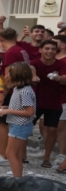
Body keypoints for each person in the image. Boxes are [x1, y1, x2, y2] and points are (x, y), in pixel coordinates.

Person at [32, 40, 66, 168]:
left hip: (54, 101)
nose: (50, 51)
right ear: (40, 50)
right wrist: (33, 76)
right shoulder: (34, 63)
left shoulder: (61, 63)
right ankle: (21, 156)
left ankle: (46, 157)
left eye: (53, 49)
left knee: (52, 130)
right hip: (35, 101)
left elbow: (65, 78)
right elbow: (30, 69)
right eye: (47, 48)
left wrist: (58, 78)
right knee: (26, 128)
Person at [0, 62, 36, 178]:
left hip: (21, 125)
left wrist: (8, 111)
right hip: (16, 124)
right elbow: (20, 107)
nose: (7, 75)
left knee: (11, 153)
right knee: (15, 154)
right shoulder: (17, 88)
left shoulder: (25, 91)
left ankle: (18, 180)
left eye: (10, 73)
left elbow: (30, 112)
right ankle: (17, 177)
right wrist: (6, 108)